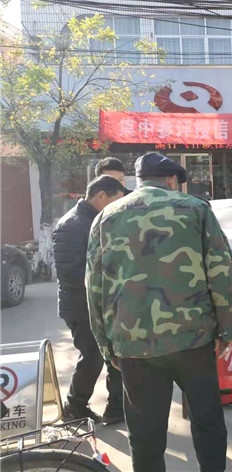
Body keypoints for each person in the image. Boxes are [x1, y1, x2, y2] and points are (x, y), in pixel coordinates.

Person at [86, 152, 232, 472]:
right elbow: (222, 272)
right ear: (170, 180)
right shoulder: (196, 209)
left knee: (145, 433)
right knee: (207, 421)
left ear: (139, 180)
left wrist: (107, 346)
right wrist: (227, 331)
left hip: (133, 343)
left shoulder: (106, 217)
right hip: (193, 340)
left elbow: (95, 286)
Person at [53, 175, 126, 425]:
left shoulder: (95, 219)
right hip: (81, 306)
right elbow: (70, 274)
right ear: (101, 196)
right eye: (116, 200)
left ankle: (116, 408)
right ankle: (74, 406)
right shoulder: (72, 225)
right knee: (93, 356)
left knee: (115, 354)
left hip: (101, 303)